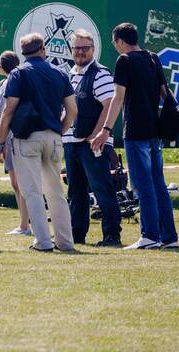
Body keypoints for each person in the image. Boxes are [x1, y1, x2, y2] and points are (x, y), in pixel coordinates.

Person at [0, 33, 77, 253]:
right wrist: (60, 130)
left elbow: (8, 110)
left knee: (32, 192)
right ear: (43, 49)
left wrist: (0, 142)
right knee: (56, 193)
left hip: (26, 138)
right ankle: (65, 242)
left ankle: (43, 242)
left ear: (23, 52)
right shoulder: (60, 73)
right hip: (53, 136)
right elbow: (72, 110)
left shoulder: (18, 74)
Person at [103, 22, 179, 250]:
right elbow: (165, 92)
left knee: (142, 186)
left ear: (119, 41)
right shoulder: (152, 58)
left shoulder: (124, 61)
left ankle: (149, 235)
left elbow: (118, 98)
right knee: (159, 185)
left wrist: (106, 129)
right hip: (155, 130)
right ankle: (169, 236)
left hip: (135, 130)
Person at [64, 29, 123, 247]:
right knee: (76, 192)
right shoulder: (70, 73)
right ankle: (76, 234)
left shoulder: (100, 74)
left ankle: (112, 235)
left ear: (93, 49)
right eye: (76, 48)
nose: (80, 52)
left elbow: (109, 105)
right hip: (71, 141)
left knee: (102, 189)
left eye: (85, 48)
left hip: (93, 144)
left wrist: (99, 134)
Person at [0, 51, 31, 236]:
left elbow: (7, 114)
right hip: (5, 134)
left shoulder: (15, 83)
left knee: (19, 181)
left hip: (14, 134)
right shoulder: (1, 84)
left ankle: (25, 224)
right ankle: (23, 223)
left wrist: (2, 140)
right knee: (15, 182)